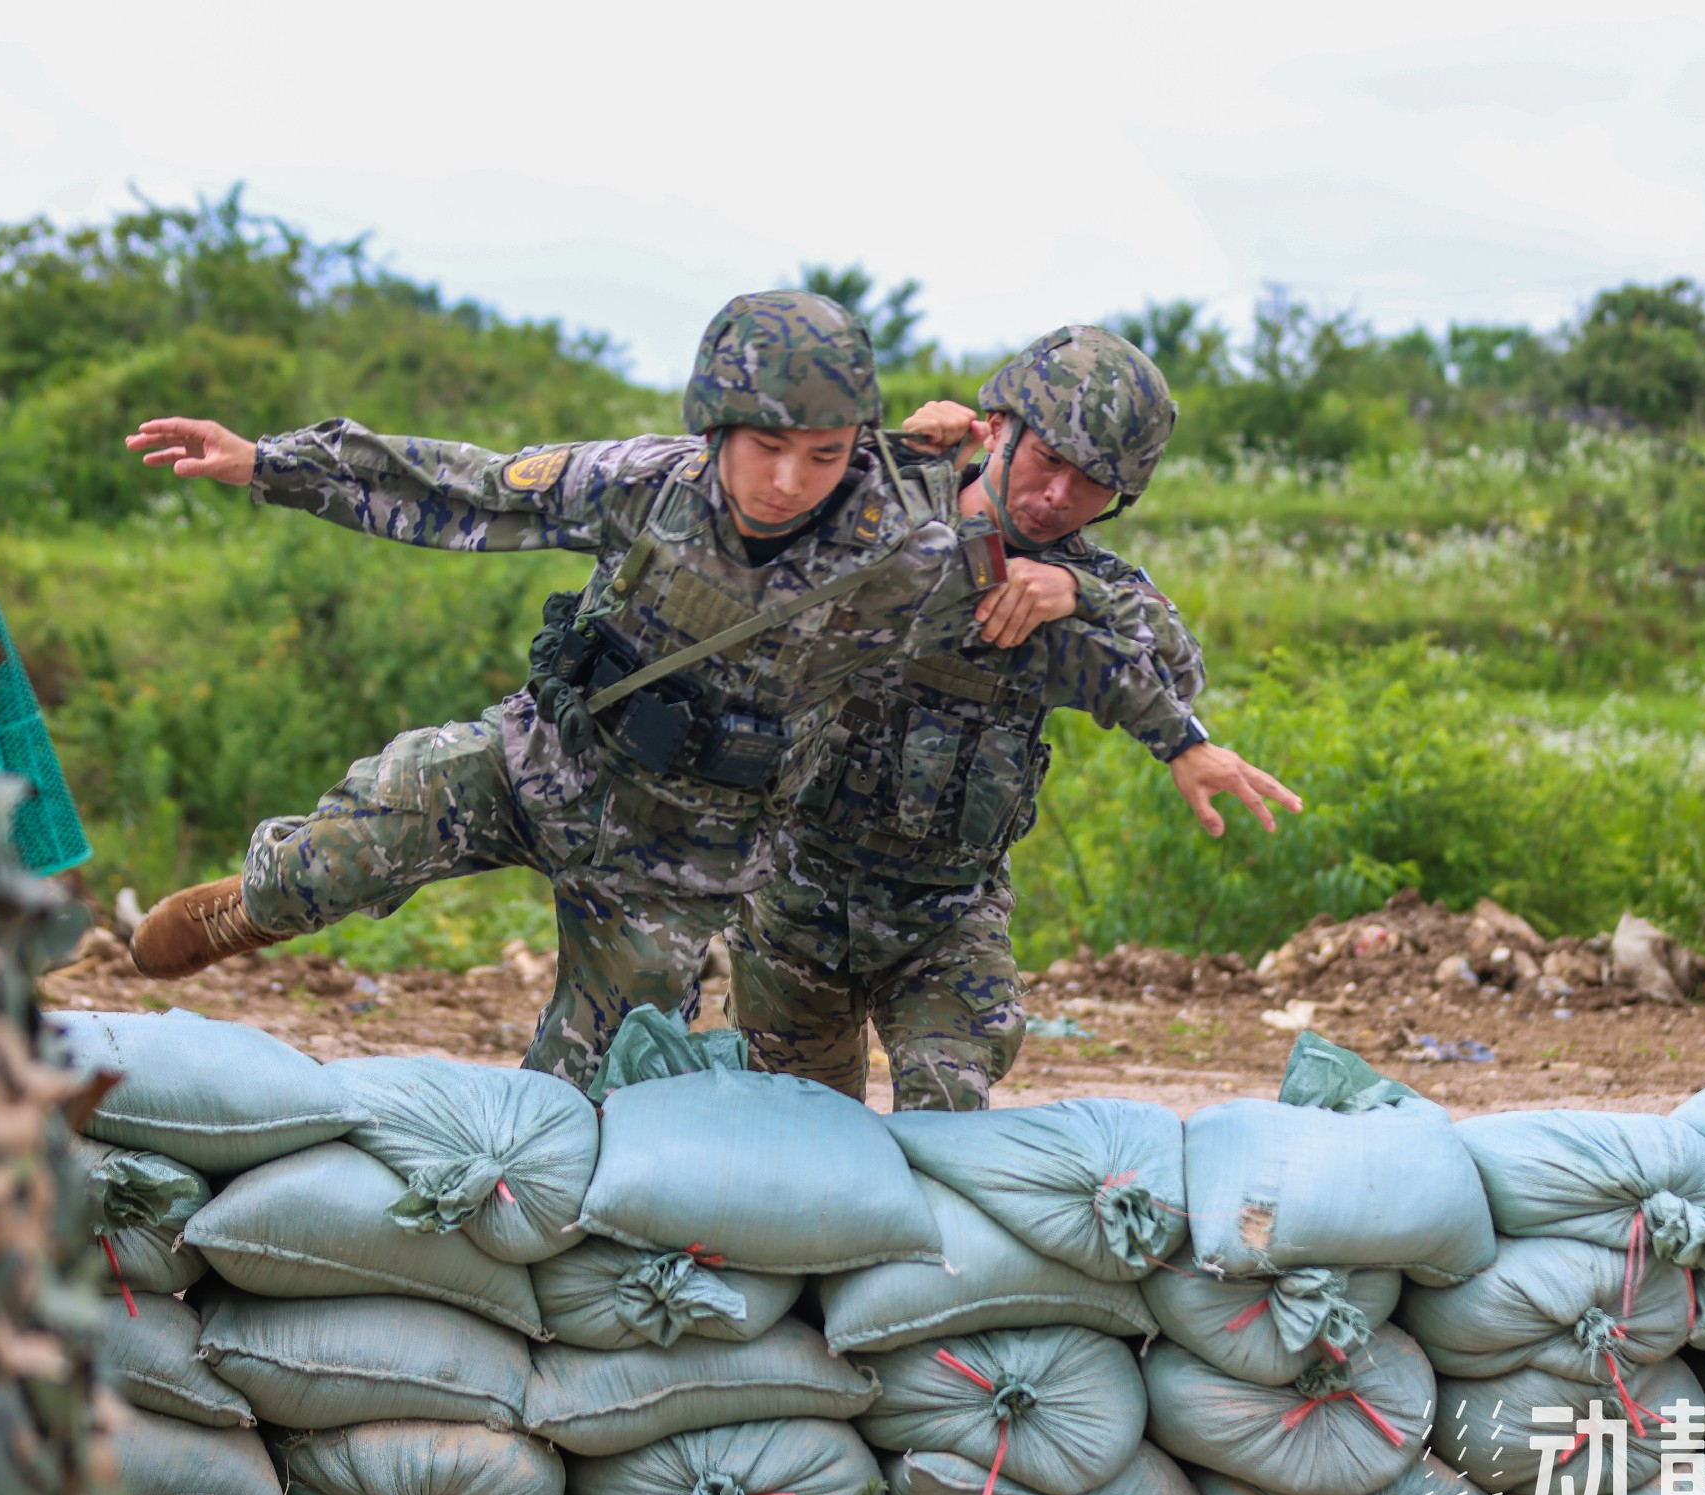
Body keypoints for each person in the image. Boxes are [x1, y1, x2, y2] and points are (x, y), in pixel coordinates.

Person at [118, 292, 1185, 1090]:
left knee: (580, 1106)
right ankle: (248, 903)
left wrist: (1074, 600)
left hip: (676, 868)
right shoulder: (648, 483)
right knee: (342, 856)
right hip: (543, 763)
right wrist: (268, 462)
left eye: (819, 455)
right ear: (716, 429)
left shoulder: (911, 554)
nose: (783, 481)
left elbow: (1134, 645)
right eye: (763, 447)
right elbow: (470, 488)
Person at [729, 326, 1300, 1111]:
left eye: (1095, 482)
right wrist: (892, 450)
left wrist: (1080, 594)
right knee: (797, 1138)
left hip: (946, 917)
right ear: (996, 428)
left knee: (946, 1106)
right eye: (1050, 460)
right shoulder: (890, 509)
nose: (1061, 496)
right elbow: (756, 521)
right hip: (796, 899)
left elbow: (1181, 669)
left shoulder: (1093, 582)